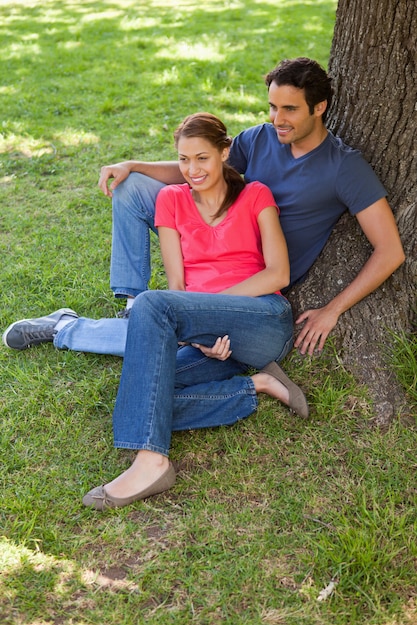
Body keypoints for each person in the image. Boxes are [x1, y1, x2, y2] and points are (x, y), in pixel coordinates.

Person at [2, 57, 404, 358]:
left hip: (257, 275)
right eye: (272, 107)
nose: (276, 119)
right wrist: (134, 166)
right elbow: (203, 174)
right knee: (131, 189)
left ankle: (67, 328)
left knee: (173, 338)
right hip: (213, 243)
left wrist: (332, 310)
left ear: (320, 107)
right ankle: (131, 305)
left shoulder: (344, 167)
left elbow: (390, 251)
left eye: (290, 110)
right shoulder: (260, 138)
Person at [79, 111, 306, 509]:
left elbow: (278, 272)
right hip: (210, 337)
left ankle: (151, 463)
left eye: (201, 158)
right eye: (184, 160)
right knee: (145, 392)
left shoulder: (256, 195)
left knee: (149, 309)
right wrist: (198, 336)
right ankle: (257, 386)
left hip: (261, 318)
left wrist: (210, 314)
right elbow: (179, 288)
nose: (192, 169)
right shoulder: (170, 200)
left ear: (224, 153)